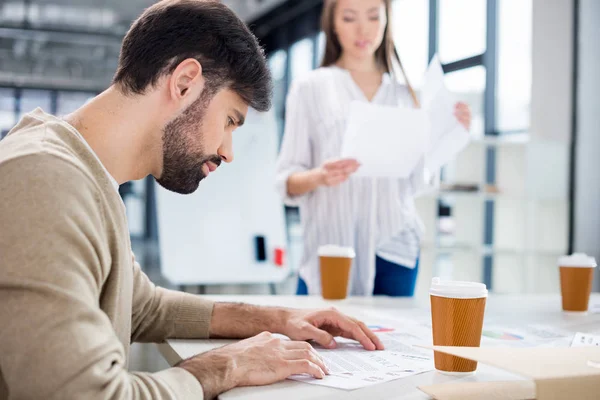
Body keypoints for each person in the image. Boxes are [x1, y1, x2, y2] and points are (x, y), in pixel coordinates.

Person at [0, 1, 385, 399]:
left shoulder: (84, 175)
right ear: (184, 83)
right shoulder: (43, 178)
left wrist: (280, 318)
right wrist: (228, 364)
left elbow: (142, 305)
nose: (229, 150)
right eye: (231, 120)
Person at [276, 0, 472, 297]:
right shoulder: (310, 88)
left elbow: (418, 180)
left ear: (386, 21)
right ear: (333, 24)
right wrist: (320, 176)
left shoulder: (405, 94)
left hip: (394, 246)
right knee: (315, 338)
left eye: (373, 16)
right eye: (350, 17)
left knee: (391, 341)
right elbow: (286, 180)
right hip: (331, 249)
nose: (363, 28)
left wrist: (449, 133)